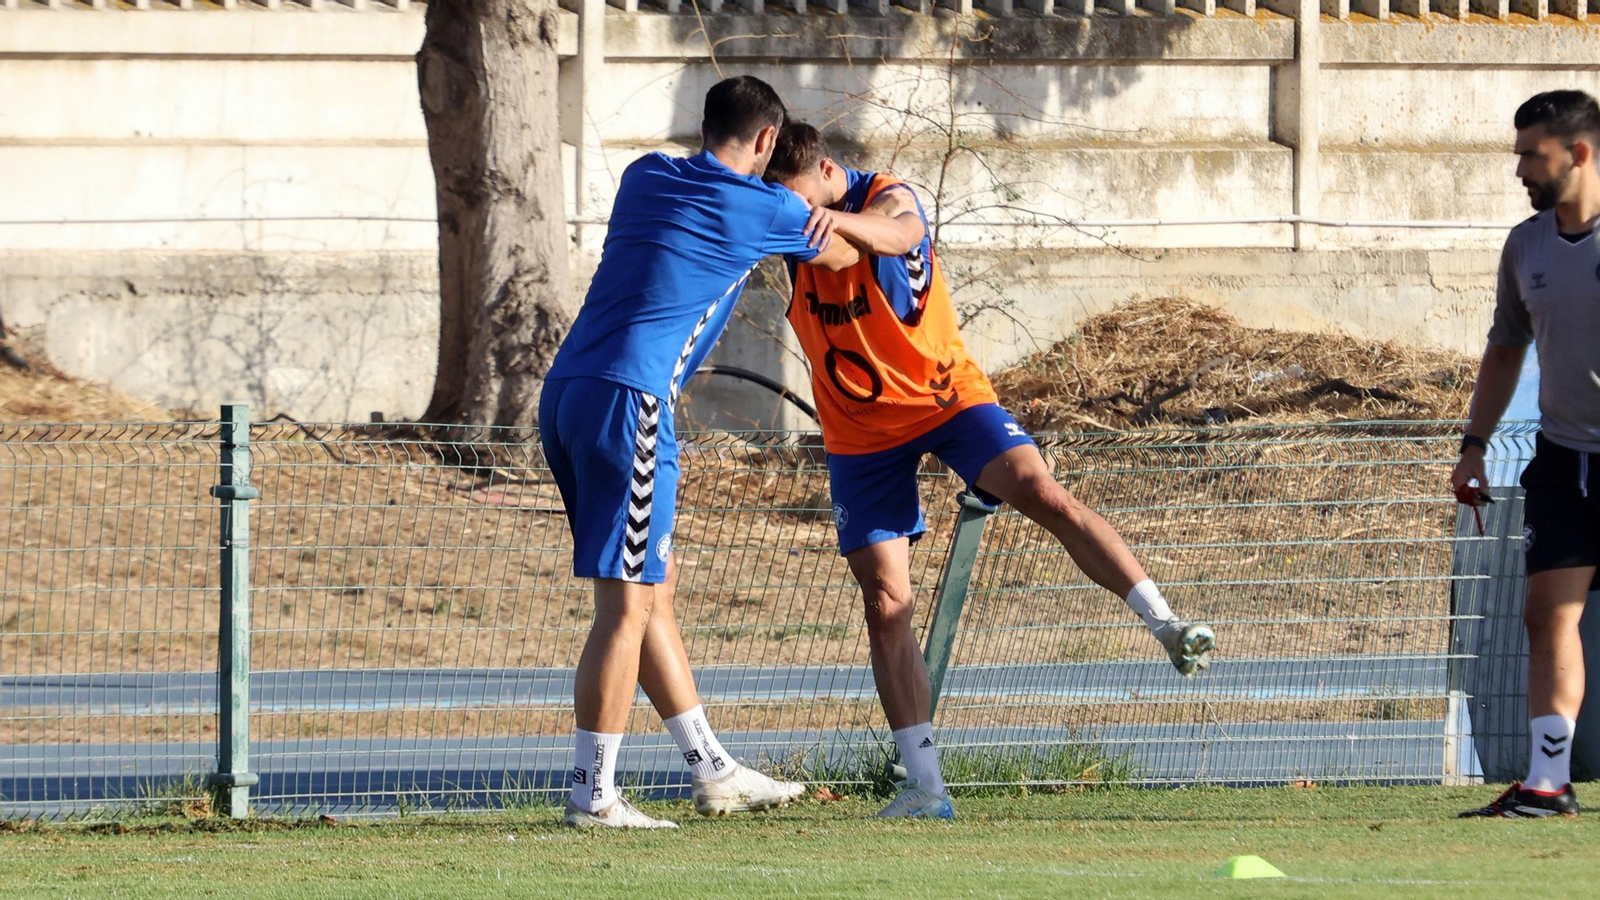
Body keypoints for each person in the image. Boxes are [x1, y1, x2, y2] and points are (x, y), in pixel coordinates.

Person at [763, 122, 1216, 820]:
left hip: (948, 401)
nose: (800, 223)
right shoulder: (791, 227)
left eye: (804, 205)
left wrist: (828, 224)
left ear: (829, 171)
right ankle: (924, 786)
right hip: (860, 434)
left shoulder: (885, 195)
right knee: (886, 600)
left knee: (1043, 492)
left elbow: (897, 232)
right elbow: (811, 251)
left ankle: (1166, 624)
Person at [539, 77, 860, 829]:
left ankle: (713, 770)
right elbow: (843, 257)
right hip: (633, 401)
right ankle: (594, 796)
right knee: (624, 606)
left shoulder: (644, 174)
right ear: (767, 143)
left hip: (567, 393)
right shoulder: (768, 207)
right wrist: (838, 201)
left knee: (652, 586)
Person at [1456, 90, 1600, 820]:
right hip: (1564, 460)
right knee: (1547, 612)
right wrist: (1474, 444)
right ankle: (1548, 785)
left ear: (1577, 154)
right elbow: (1505, 348)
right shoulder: (1526, 245)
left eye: (1530, 154)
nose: (1519, 169)